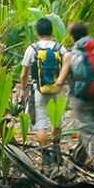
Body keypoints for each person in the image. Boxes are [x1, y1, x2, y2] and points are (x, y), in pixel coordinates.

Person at [55, 21, 94, 172]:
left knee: (87, 130)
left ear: (72, 37)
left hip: (80, 97)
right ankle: (78, 160)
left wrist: (55, 86)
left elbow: (62, 79)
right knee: (88, 128)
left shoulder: (72, 54)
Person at [18, 17, 68, 162]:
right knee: (56, 120)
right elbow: (66, 68)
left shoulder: (32, 49)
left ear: (37, 32)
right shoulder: (60, 48)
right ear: (52, 32)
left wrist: (24, 88)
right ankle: (56, 149)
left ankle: (45, 155)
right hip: (57, 89)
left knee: (41, 122)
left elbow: (24, 73)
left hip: (38, 90)